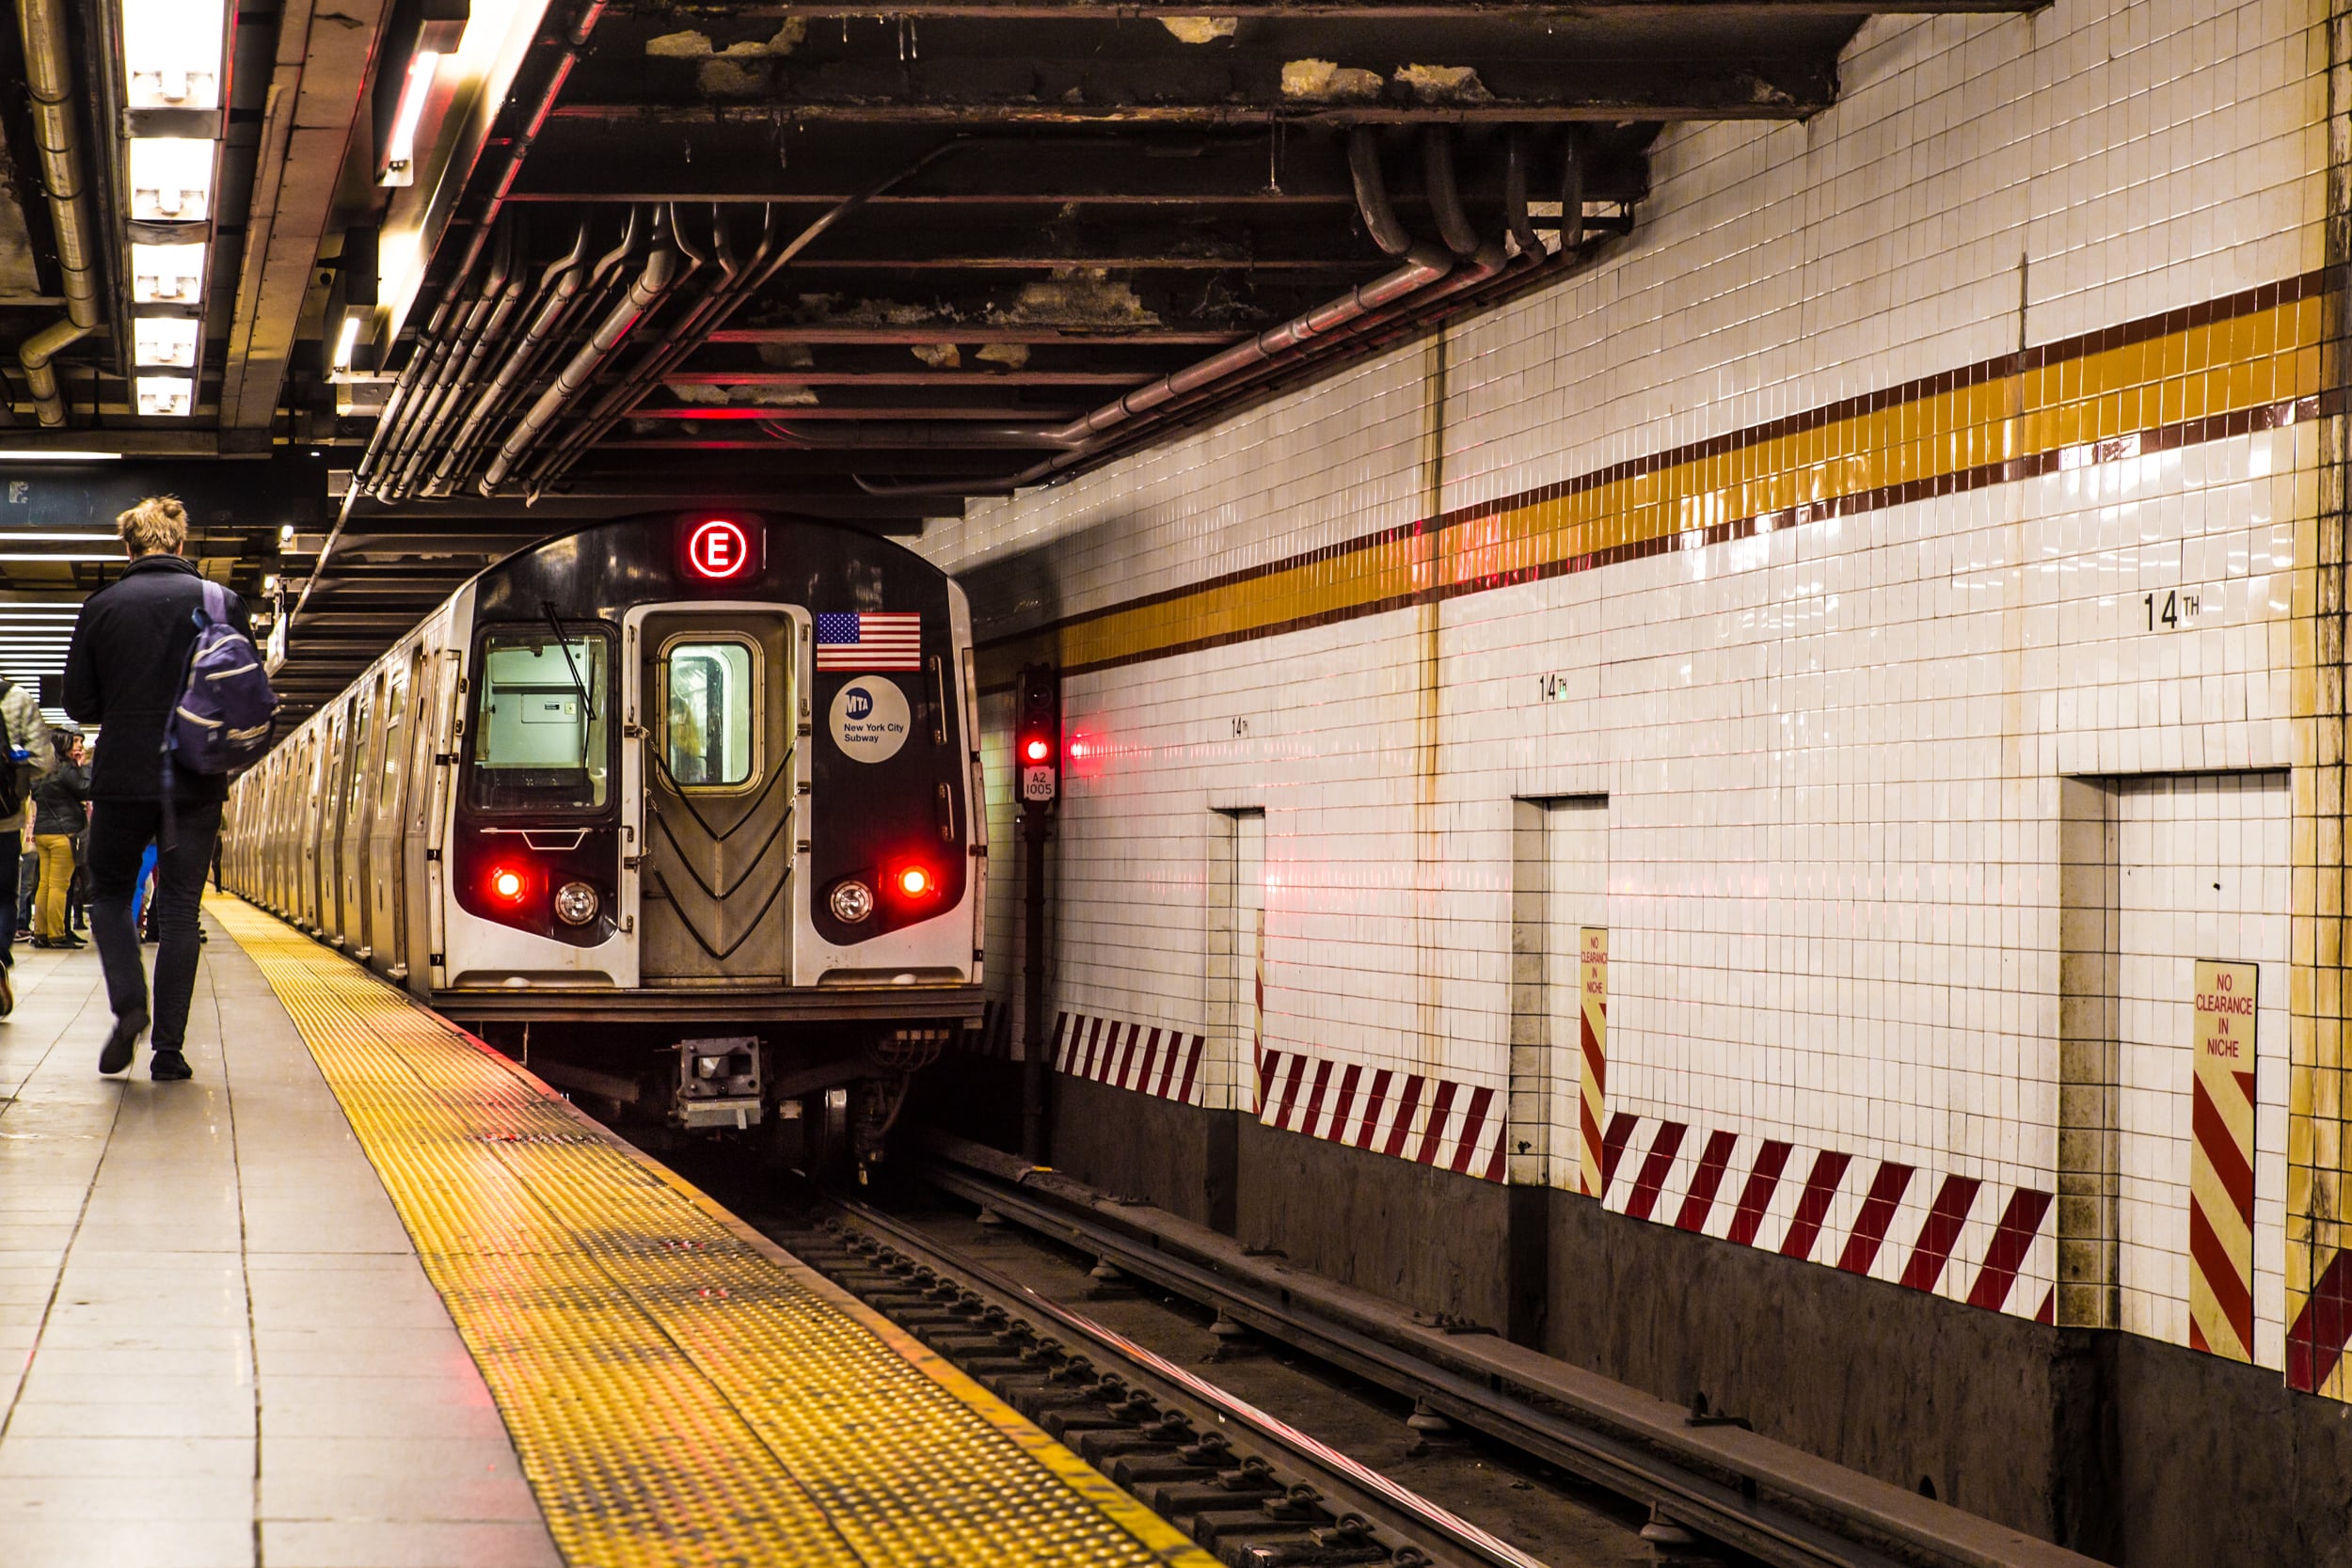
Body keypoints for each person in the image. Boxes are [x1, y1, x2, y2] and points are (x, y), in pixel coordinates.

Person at [63, 496, 254, 1081]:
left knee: (111, 895)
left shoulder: (103, 605)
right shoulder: (222, 602)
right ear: (179, 544)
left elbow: (79, 703)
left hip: (122, 776)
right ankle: (168, 1051)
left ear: (128, 546)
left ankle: (130, 1006)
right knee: (177, 911)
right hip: (197, 778)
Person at [0, 676, 47, 1013]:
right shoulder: (14, 697)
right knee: (3, 894)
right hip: (3, 814)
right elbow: (44, 759)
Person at [30, 731, 86, 949]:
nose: (79, 746)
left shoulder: (40, 770)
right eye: (76, 742)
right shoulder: (66, 769)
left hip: (43, 831)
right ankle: (56, 934)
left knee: (44, 884)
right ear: (64, 746)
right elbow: (85, 789)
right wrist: (81, 768)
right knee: (59, 886)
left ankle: (41, 932)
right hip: (63, 832)